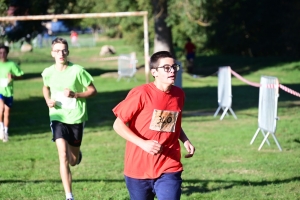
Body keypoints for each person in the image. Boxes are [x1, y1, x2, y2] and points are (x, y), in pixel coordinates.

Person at [112, 51, 195, 200]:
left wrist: (185, 139)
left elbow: (172, 122)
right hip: (138, 168)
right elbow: (118, 125)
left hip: (169, 163)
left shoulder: (178, 94)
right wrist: (143, 143)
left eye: (174, 67)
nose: (172, 71)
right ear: (154, 72)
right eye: (166, 68)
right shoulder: (141, 93)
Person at [41, 37, 97, 200]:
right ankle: (69, 196)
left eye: (64, 50)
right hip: (57, 116)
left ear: (68, 52)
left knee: (72, 160)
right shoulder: (48, 72)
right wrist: (47, 100)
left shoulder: (78, 71)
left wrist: (76, 94)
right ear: (52, 53)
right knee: (63, 156)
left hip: (76, 117)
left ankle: (77, 156)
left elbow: (93, 91)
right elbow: (46, 87)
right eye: (57, 50)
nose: (61, 53)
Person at [0, 44, 24, 142]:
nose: (2, 54)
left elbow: (21, 75)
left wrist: (13, 77)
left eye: (4, 53)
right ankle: (1, 130)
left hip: (8, 92)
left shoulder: (12, 65)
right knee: (1, 109)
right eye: (0, 53)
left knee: (7, 113)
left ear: (7, 53)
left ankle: (5, 132)